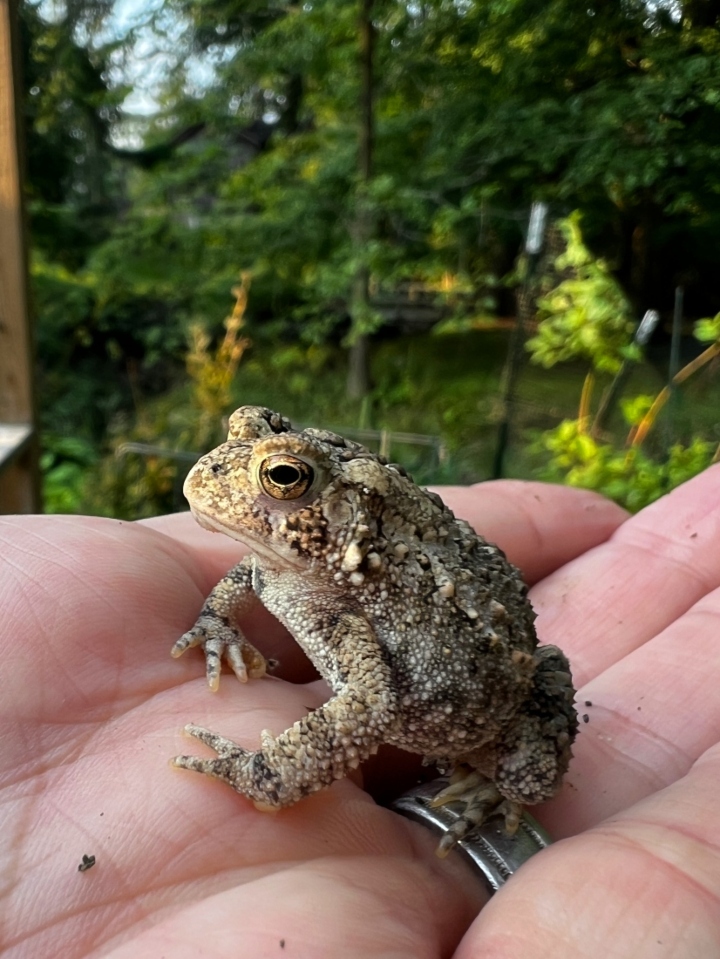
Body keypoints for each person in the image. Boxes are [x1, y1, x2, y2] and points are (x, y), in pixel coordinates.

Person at [2, 467, 719, 959]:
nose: (220, 473)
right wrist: (218, 619)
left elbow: (369, 704)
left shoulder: (353, 598)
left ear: (342, 515)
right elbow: (257, 564)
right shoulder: (298, 559)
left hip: (489, 699)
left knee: (530, 775)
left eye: (281, 482)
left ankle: (495, 783)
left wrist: (269, 773)